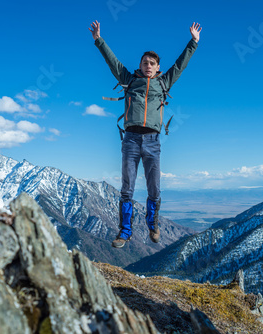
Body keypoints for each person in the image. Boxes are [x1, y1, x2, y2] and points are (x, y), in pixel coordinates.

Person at [89, 20, 201, 248]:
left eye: (152, 63)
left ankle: (153, 225)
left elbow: (180, 65)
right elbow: (112, 62)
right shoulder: (129, 80)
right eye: (145, 62)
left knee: (154, 188)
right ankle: (125, 232)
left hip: (152, 141)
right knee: (127, 188)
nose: (148, 65)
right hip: (130, 140)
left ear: (158, 68)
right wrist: (99, 40)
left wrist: (193, 42)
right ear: (139, 65)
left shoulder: (164, 82)